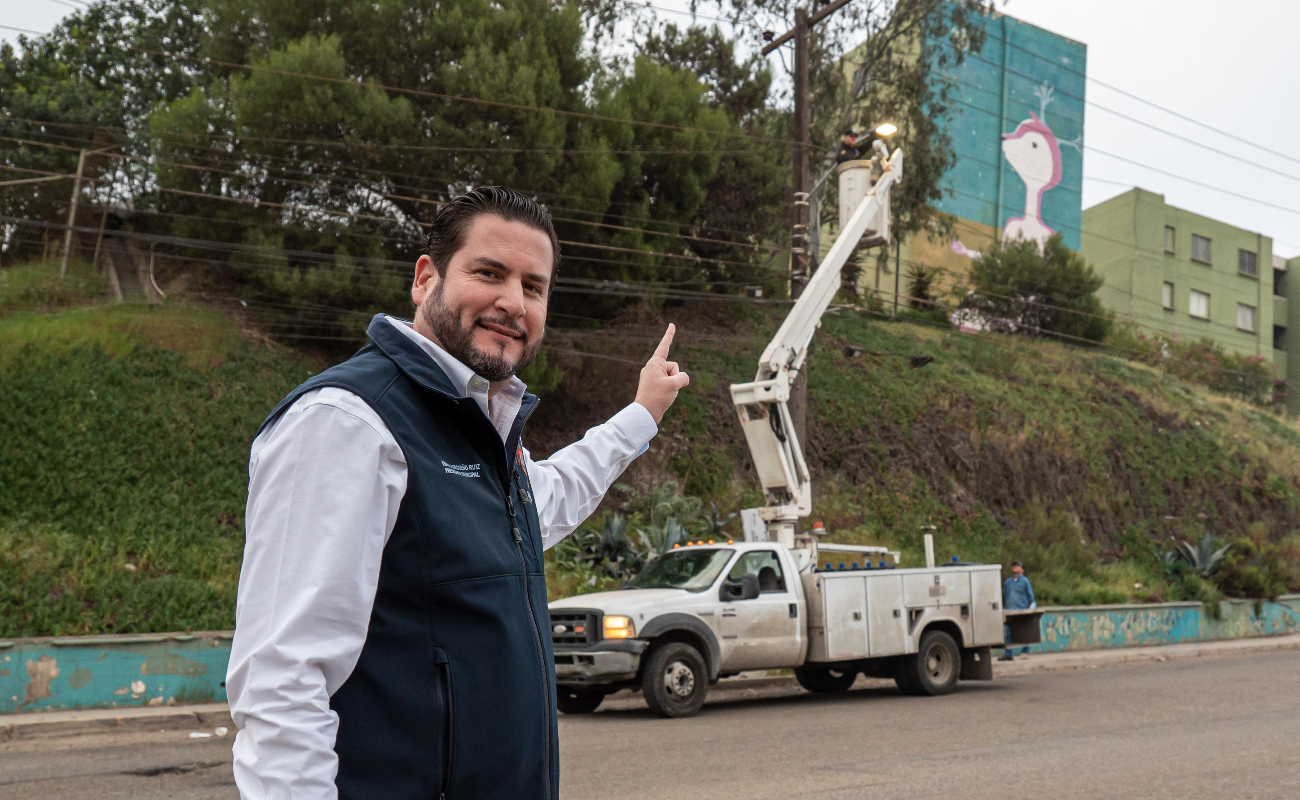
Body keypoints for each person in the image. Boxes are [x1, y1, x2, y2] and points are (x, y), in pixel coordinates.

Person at [227, 187, 690, 800]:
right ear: (425, 279)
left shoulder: (480, 430)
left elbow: (546, 498)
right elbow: (281, 680)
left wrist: (641, 415)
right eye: (489, 273)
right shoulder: (349, 422)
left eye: (534, 286)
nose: (512, 302)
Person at [999, 560, 1036, 661]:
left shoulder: (1025, 581)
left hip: (1022, 610)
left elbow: (1031, 597)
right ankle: (1008, 654)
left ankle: (1025, 651)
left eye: (1018, 566)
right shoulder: (1008, 582)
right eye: (1014, 565)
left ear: (1022, 570)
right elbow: (1005, 595)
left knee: (1024, 631)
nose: (1015, 567)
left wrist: (1031, 608)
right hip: (1010, 611)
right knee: (1008, 633)